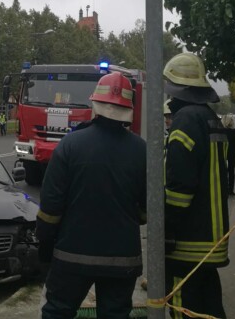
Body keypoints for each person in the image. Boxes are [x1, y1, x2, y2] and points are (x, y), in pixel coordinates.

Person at [37, 72, 147, 318]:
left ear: (95, 105)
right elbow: (148, 208)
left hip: (71, 256)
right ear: (128, 109)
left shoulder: (70, 145)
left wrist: (45, 249)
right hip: (122, 260)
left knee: (58, 312)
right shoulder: (142, 150)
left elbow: (50, 208)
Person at [163, 52, 229, 318]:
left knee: (183, 308)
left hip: (188, 241)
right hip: (211, 237)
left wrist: (166, 229)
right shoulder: (209, 117)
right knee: (209, 307)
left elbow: (180, 187)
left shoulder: (186, 120)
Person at [221, 114, 235, 196]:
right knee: (231, 171)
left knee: (223, 171)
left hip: (223, 153)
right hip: (233, 155)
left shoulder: (221, 131)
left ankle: (224, 189)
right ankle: (231, 190)